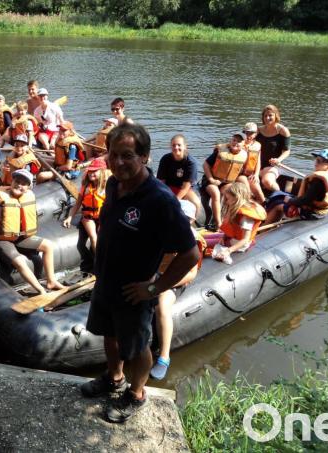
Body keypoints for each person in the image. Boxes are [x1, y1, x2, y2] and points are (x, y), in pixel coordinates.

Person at [80, 123, 199, 424]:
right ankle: (114, 378)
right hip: (107, 281)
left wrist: (155, 288)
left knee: (137, 347)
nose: (119, 162)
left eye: (128, 155)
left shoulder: (159, 200)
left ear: (144, 157)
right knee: (109, 335)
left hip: (135, 291)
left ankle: (136, 394)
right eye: (114, 154)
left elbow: (190, 254)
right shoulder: (112, 185)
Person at [0, 169, 66, 295]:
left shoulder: (27, 197)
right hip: (0, 239)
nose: (19, 185)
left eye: (24, 184)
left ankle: (51, 281)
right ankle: (41, 290)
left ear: (28, 187)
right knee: (20, 260)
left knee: (48, 246)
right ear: (12, 181)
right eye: (17, 181)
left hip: (21, 237)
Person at [150, 200, 208, 380]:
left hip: (174, 280)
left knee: (162, 304)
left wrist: (163, 284)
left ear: (190, 221)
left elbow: (190, 274)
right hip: (155, 274)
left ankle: (164, 356)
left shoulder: (192, 241)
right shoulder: (161, 231)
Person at [265, 149, 328, 224]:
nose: (316, 163)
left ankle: (265, 227)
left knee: (277, 202)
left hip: (310, 213)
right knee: (280, 195)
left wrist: (289, 200)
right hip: (322, 212)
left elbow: (304, 201)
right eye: (316, 159)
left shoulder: (318, 182)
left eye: (319, 161)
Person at [62, 157, 109, 272]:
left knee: (105, 237)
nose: (91, 173)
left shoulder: (108, 187)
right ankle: (99, 264)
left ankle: (108, 261)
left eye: (95, 171)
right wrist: (70, 217)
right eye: (90, 171)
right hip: (88, 218)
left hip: (102, 217)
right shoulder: (86, 187)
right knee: (93, 237)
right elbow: (77, 204)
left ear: (102, 172)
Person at [201, 132, 248, 229]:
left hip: (226, 182)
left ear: (243, 144)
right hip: (211, 180)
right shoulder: (221, 151)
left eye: (239, 141)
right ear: (231, 141)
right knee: (216, 193)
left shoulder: (244, 155)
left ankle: (230, 220)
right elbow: (206, 164)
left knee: (234, 194)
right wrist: (211, 179)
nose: (235, 143)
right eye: (234, 140)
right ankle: (218, 224)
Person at [212, 181, 267, 264]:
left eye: (228, 199)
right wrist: (224, 236)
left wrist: (228, 251)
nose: (226, 202)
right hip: (231, 238)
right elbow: (231, 228)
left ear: (237, 198)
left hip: (238, 244)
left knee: (204, 242)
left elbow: (245, 239)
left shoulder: (246, 218)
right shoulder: (236, 210)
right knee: (206, 236)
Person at [156, 134, 203, 222]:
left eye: (179, 145)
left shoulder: (191, 163)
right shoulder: (165, 159)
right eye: (173, 145)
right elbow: (161, 182)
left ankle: (191, 224)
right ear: (170, 146)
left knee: (197, 203)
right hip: (169, 186)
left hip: (186, 189)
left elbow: (185, 188)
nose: (176, 147)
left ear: (185, 146)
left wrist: (175, 201)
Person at [256, 104, 291, 192]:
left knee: (266, 181)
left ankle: (280, 196)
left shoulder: (283, 131)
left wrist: (278, 159)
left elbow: (286, 151)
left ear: (276, 116)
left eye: (270, 115)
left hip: (274, 165)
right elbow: (244, 141)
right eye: (265, 116)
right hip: (257, 165)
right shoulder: (258, 130)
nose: (267, 118)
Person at [237, 122, 265, 203]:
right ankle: (249, 204)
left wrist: (256, 174)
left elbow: (258, 162)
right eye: (247, 133)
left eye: (251, 133)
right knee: (248, 192)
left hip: (251, 175)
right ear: (244, 133)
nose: (249, 135)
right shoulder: (239, 144)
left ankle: (262, 208)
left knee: (260, 195)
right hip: (239, 175)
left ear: (256, 134)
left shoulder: (258, 145)